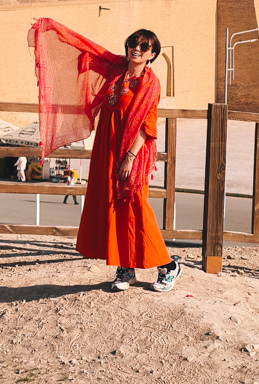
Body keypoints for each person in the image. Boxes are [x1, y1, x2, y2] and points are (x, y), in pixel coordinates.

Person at [29, 19, 181, 293]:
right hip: (106, 149)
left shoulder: (150, 84)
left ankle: (168, 266)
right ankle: (125, 267)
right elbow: (88, 53)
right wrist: (53, 33)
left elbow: (148, 127)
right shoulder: (116, 73)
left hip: (130, 153)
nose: (136, 48)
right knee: (112, 207)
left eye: (143, 46)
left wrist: (129, 157)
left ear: (152, 55)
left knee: (136, 208)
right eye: (133, 43)